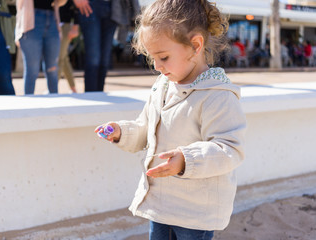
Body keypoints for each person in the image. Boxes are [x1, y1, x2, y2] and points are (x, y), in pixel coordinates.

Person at [94, 1, 247, 239]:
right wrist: (121, 132)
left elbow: (230, 148)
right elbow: (146, 129)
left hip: (196, 212)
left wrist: (186, 160)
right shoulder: (163, 87)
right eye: (151, 58)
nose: (156, 66)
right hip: (160, 206)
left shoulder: (218, 95)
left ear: (195, 45)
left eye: (163, 57)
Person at [74, 0, 140, 92]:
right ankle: (91, 97)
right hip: (91, 5)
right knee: (93, 58)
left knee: (105, 60)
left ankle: (100, 95)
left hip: (112, 7)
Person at [15, 0, 67, 95]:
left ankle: (55, 102)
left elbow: (61, 2)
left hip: (52, 18)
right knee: (32, 70)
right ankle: (28, 105)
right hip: (31, 19)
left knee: (52, 69)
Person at [58, 0, 79, 93]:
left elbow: (76, 7)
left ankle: (53, 88)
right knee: (64, 58)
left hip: (65, 26)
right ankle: (73, 88)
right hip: (54, 24)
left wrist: (75, 27)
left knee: (59, 58)